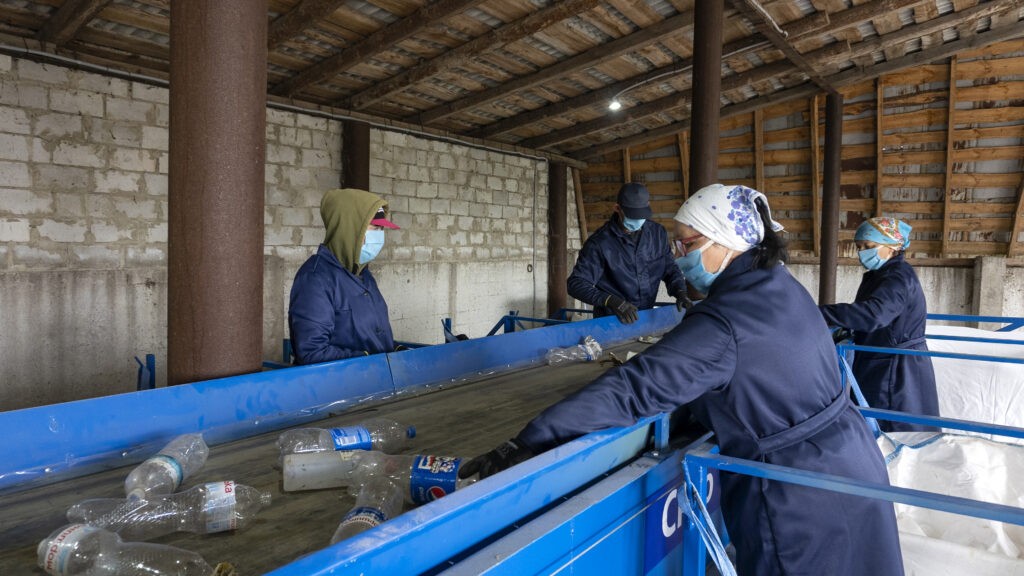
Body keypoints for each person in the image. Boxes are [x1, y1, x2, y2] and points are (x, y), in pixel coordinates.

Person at [461, 184, 904, 576]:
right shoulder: (780, 283)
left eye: (687, 244)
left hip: (797, 493)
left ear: (725, 242)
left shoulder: (724, 321)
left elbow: (634, 388)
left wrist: (532, 438)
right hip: (851, 461)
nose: (679, 254)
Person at [819, 217, 940, 432]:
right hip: (883, 358)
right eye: (859, 247)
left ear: (892, 247)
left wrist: (822, 313)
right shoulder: (882, 275)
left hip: (895, 367)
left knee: (891, 426)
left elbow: (875, 314)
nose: (862, 252)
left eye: (869, 246)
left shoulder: (896, 277)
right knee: (877, 420)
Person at [288, 188, 401, 365]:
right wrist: (370, 360)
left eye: (381, 229)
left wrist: (396, 351)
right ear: (351, 228)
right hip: (344, 381)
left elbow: (373, 337)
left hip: (375, 377)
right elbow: (312, 353)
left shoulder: (363, 275)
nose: (379, 235)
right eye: (375, 228)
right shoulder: (315, 279)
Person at [566, 182, 690, 324]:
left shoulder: (657, 234)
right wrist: (610, 301)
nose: (637, 221)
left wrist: (680, 291)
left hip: (645, 319)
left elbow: (670, 268)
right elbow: (576, 284)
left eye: (640, 215)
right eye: (632, 216)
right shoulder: (599, 243)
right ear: (617, 208)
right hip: (611, 322)